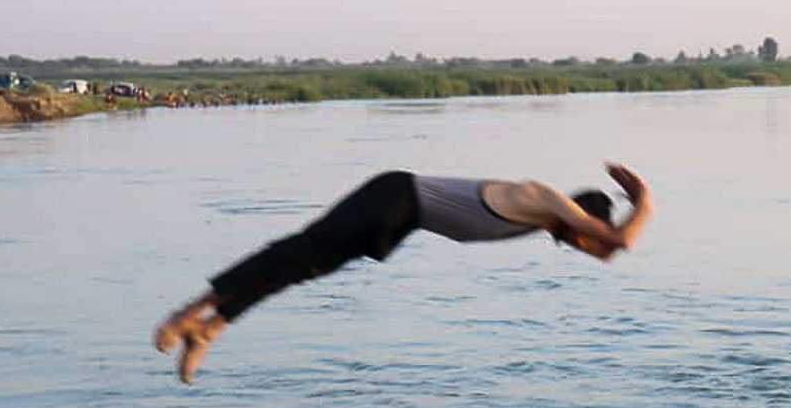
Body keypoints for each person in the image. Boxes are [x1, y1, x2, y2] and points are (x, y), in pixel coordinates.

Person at [155, 163, 654, 383]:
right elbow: (618, 242)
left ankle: (210, 328)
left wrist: (628, 214)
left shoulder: (547, 222)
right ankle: (186, 314)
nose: (578, 247)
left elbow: (608, 252)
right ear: (582, 219)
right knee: (295, 253)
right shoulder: (545, 199)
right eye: (582, 236)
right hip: (393, 197)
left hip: (401, 220)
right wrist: (645, 203)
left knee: (303, 267)